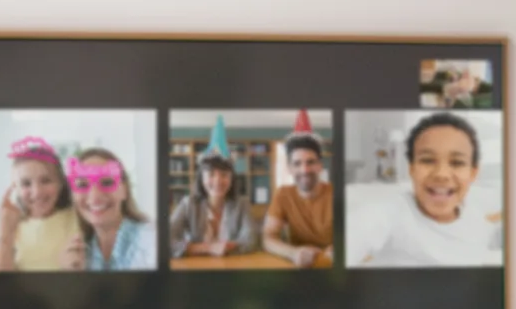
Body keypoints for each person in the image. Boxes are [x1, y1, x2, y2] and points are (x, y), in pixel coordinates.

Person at [346, 112, 502, 267]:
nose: (441, 174)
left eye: (457, 162)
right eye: (427, 160)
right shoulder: (388, 212)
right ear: (412, 169)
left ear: (473, 173)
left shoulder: (478, 218)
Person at [169, 115, 258, 260]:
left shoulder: (242, 204)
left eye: (224, 174)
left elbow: (251, 240)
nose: (218, 181)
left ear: (231, 178)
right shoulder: (188, 204)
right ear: (201, 177)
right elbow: (165, 240)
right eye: (211, 174)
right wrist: (208, 248)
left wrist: (222, 249)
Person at [0, 136, 83, 272]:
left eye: (46, 180)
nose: (37, 192)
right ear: (15, 189)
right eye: (26, 184)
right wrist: (5, 234)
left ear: (60, 183)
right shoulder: (9, 227)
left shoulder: (77, 217)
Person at [66, 148, 157, 271]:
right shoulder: (79, 253)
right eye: (82, 185)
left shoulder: (152, 241)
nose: (95, 197)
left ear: (124, 190)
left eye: (107, 182)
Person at [262, 133, 334, 268]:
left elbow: (358, 233)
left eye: (310, 162)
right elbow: (268, 237)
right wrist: (293, 253)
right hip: (299, 265)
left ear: (320, 165)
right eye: (297, 163)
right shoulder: (283, 194)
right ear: (289, 168)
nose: (304, 170)